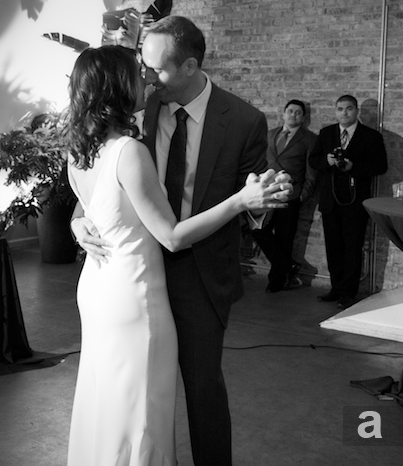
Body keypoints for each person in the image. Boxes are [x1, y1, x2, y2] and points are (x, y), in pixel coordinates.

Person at [70, 17, 287, 465]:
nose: (148, 79)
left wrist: (265, 197)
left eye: (156, 69)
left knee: (201, 389)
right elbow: (102, 182)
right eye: (143, 69)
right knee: (132, 393)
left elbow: (255, 197)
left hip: (199, 274)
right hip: (134, 277)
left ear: (189, 66)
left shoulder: (243, 120)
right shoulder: (135, 109)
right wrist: (78, 222)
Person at [309, 95, 388, 309]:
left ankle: (348, 292)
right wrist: (327, 161)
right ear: (335, 111)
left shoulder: (371, 136)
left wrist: (354, 167)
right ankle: (335, 288)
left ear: (357, 111)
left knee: (353, 247)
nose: (344, 113)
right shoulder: (326, 133)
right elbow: (313, 160)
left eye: (349, 108)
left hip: (355, 201)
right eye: (340, 109)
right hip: (330, 200)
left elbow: (381, 166)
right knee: (333, 247)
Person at [251, 99, 317, 292]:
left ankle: (277, 281)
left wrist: (303, 195)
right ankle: (288, 265)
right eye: (290, 111)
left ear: (303, 118)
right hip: (267, 192)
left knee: (284, 238)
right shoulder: (270, 134)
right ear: (284, 113)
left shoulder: (309, 139)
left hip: (291, 194)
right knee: (258, 229)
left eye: (298, 113)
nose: (293, 115)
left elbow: (311, 171)